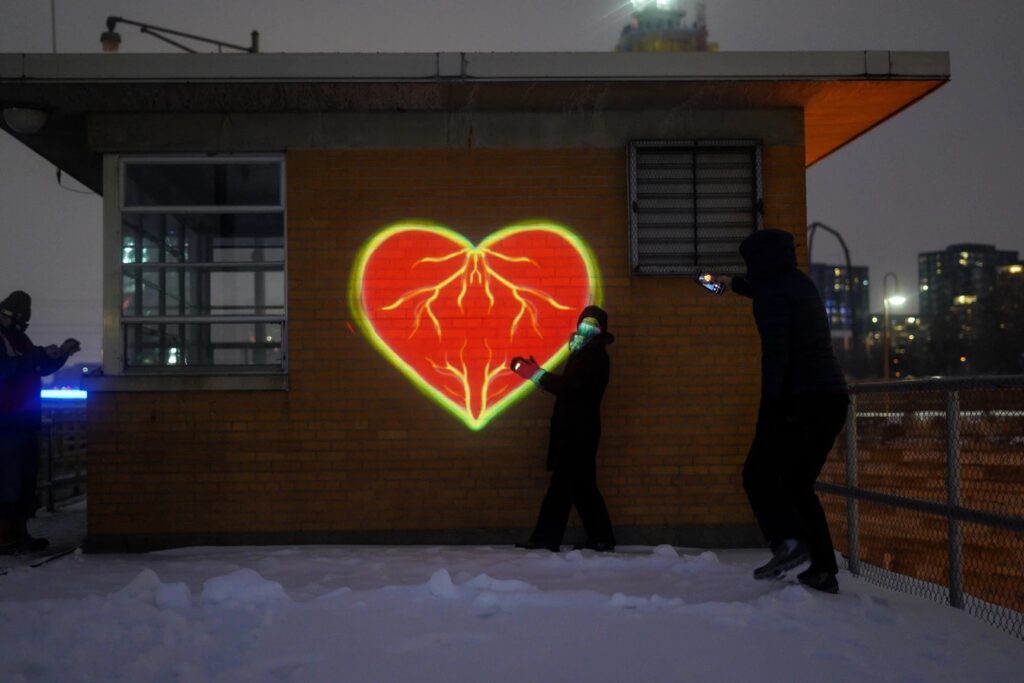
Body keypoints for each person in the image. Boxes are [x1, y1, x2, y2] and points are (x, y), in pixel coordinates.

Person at [709, 230, 849, 594]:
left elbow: (777, 357)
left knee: (757, 474)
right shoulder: (795, 283)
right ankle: (821, 569)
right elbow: (766, 291)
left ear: (759, 261)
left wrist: (769, 411)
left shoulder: (773, 294)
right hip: (830, 398)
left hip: (800, 399)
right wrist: (732, 284)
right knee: (798, 485)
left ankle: (788, 545)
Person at [511, 305, 616, 553]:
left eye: (593, 324)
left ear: (601, 330)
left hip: (577, 433)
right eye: (585, 322)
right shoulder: (584, 353)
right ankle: (601, 537)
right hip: (578, 431)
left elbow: (569, 388)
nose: (587, 328)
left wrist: (536, 375)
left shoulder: (594, 357)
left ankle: (546, 538)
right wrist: (540, 376)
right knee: (583, 487)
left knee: (561, 487)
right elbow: (569, 388)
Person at [0, 290, 80, 553]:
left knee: (24, 482)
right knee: (8, 483)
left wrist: (60, 355)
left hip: (23, 422)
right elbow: (9, 369)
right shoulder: (6, 339)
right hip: (7, 423)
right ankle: (6, 535)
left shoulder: (18, 338)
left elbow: (37, 365)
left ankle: (18, 533)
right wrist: (38, 357)